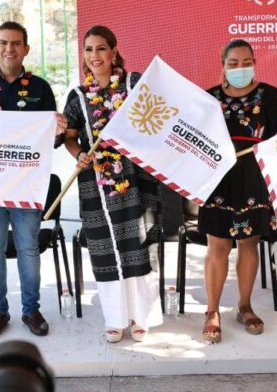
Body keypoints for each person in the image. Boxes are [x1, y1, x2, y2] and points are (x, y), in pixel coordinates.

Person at [0, 21, 66, 338]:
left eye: (16, 43)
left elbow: (50, 141)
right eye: (3, 43)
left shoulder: (40, 88)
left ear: (26, 49)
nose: (9, 49)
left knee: (28, 249)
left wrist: (58, 131)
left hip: (26, 185)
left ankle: (31, 310)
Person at [63, 25, 162, 343]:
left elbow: (156, 120)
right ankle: (115, 319)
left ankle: (140, 317)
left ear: (114, 51)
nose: (95, 56)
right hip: (96, 184)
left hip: (136, 180)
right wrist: (79, 154)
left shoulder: (134, 85)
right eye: (89, 49)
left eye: (101, 48)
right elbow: (69, 138)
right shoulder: (78, 97)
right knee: (106, 250)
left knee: (138, 245)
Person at [198, 39, 277, 343]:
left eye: (246, 62)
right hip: (217, 182)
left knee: (249, 245)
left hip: (255, 180)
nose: (240, 68)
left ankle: (245, 305)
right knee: (218, 248)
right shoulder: (208, 98)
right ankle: (212, 311)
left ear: (254, 62)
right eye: (233, 63)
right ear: (222, 65)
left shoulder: (271, 96)